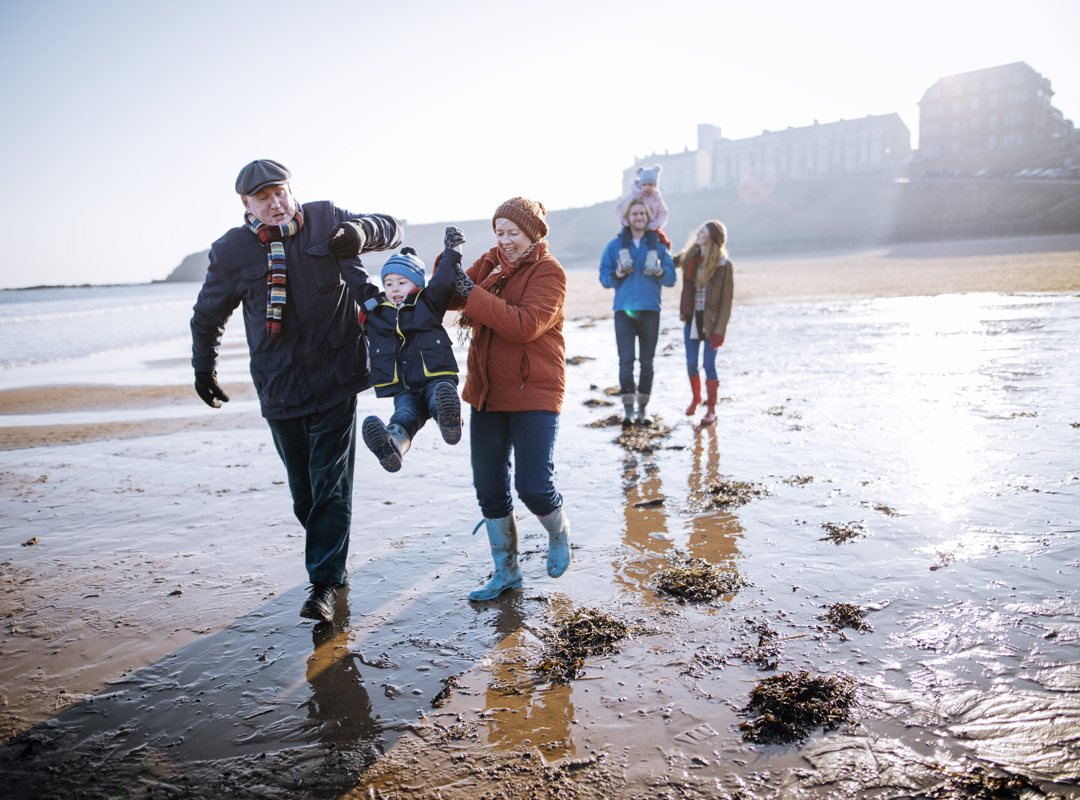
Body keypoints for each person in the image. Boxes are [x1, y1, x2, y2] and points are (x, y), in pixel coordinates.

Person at [191, 159, 402, 623]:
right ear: (246, 204)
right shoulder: (231, 251)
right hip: (279, 384)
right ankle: (332, 562)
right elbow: (208, 317)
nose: (275, 203)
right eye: (263, 197)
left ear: (291, 190)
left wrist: (361, 233)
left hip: (337, 375)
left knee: (330, 485)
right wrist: (203, 369)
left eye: (280, 192)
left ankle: (323, 584)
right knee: (305, 496)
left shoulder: (326, 218)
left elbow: (393, 228)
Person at [443, 197, 571, 601]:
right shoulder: (490, 261)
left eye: (513, 233)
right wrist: (450, 261)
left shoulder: (549, 272)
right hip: (487, 392)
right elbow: (447, 295)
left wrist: (471, 294)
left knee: (533, 487)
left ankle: (558, 530)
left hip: (534, 391)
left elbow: (524, 325)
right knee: (490, 488)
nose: (505, 240)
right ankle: (507, 573)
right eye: (499, 232)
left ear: (531, 233)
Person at [357, 234, 465, 473]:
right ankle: (393, 447)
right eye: (388, 283)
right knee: (404, 415)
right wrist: (345, 251)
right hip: (404, 386)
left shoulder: (427, 302)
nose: (394, 288)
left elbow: (443, 279)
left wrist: (453, 250)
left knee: (439, 397)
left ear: (416, 284)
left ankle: (450, 422)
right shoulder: (377, 311)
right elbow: (357, 279)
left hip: (435, 377)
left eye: (401, 282)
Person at [598, 196, 677, 425]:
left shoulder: (659, 247)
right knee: (626, 361)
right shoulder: (614, 247)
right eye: (634, 214)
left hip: (651, 309)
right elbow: (604, 277)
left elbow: (671, 278)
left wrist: (660, 271)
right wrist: (618, 274)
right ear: (627, 218)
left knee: (647, 362)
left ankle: (643, 410)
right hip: (623, 311)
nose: (639, 217)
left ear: (648, 216)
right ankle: (628, 411)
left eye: (642, 213)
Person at [675, 220, 734, 425]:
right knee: (691, 364)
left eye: (703, 231)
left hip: (712, 323)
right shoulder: (689, 258)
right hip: (692, 318)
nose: (698, 233)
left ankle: (711, 410)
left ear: (713, 237)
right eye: (699, 230)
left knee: (708, 364)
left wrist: (721, 330)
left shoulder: (723, 265)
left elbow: (727, 300)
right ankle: (696, 397)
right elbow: (669, 261)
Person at [614, 165, 670, 275]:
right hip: (631, 227)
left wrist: (657, 223)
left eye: (651, 185)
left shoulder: (657, 199)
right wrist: (625, 221)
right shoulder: (634, 195)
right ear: (640, 184)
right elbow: (620, 208)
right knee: (624, 234)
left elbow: (663, 213)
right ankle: (625, 258)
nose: (647, 188)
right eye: (644, 185)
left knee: (654, 237)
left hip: (650, 226)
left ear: (655, 186)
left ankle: (651, 261)